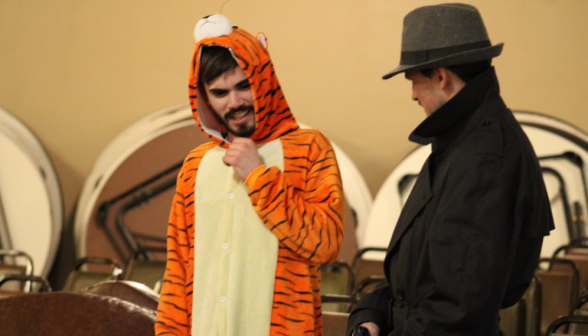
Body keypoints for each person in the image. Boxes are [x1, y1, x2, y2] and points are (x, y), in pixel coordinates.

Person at [347, 4, 554, 336]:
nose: (413, 95)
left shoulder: (484, 160)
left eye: (413, 80)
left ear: (441, 77)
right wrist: (374, 310)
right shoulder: (463, 141)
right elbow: (426, 278)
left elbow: (457, 314)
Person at [155, 14, 344, 336]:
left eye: (244, 86)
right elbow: (177, 270)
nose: (235, 102)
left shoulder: (309, 148)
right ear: (203, 97)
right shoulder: (195, 165)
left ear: (264, 80)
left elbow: (325, 244)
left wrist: (258, 176)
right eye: (219, 92)